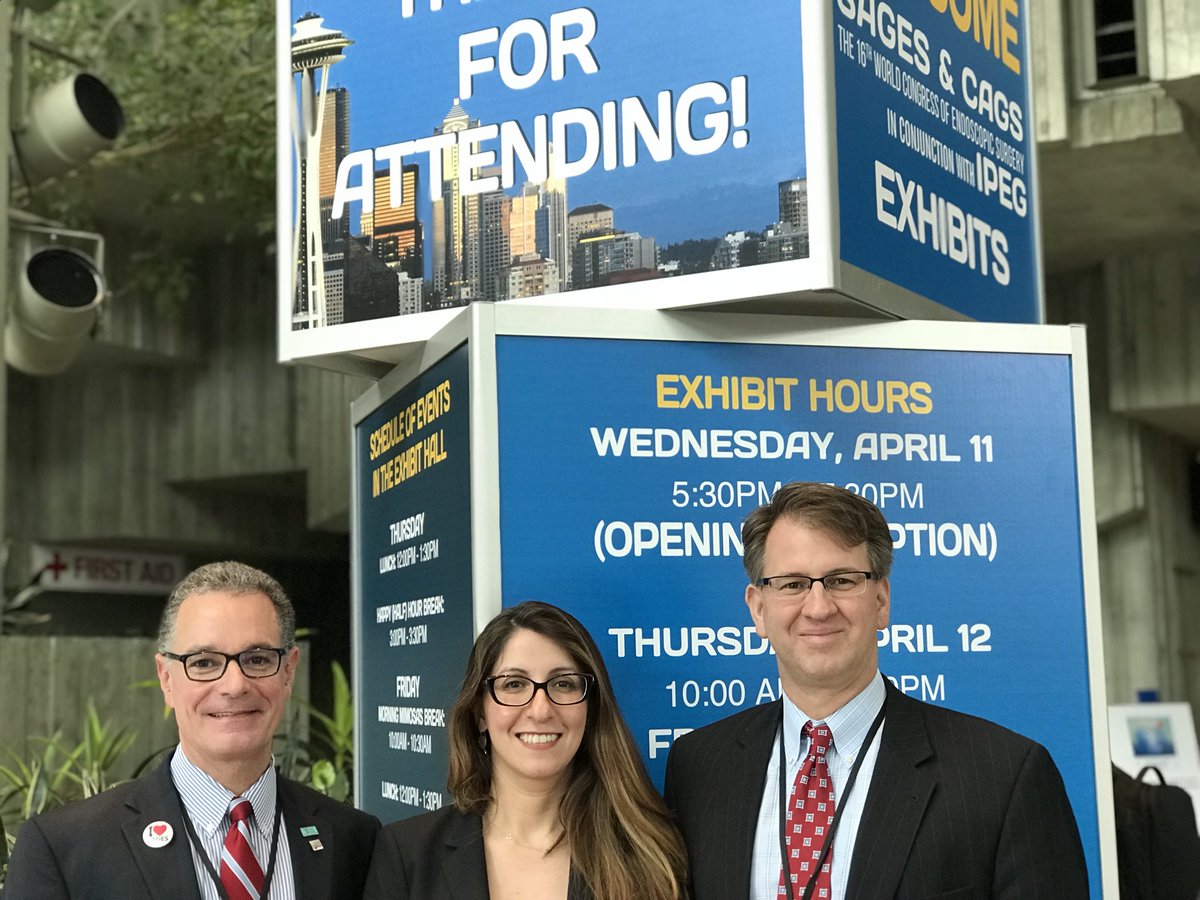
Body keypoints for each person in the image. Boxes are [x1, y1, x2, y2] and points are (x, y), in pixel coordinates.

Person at [663, 482, 1089, 899]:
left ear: (882, 600)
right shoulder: (698, 768)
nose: (818, 607)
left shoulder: (1004, 775)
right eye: (793, 584)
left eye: (842, 580)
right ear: (758, 609)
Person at [2, 561, 380, 900]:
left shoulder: (354, 840)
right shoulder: (63, 849)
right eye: (203, 662)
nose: (234, 685)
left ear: (288, 672)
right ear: (166, 678)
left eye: (258, 659)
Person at [364, 600, 687, 900]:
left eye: (564, 683)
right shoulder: (407, 853)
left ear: (590, 709)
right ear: (479, 713)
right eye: (514, 685)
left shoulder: (650, 852)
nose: (540, 710)